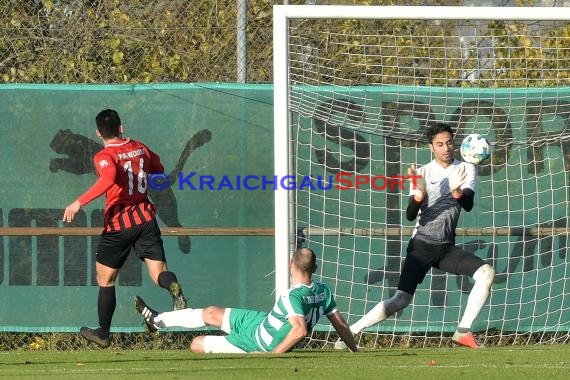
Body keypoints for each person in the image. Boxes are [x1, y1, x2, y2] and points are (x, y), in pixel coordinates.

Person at [338, 122, 495, 349]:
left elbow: (468, 204)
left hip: (445, 248)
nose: (446, 148)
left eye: (449, 142)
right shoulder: (422, 172)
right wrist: (419, 194)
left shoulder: (466, 168)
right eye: (440, 144)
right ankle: (350, 333)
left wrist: (457, 191)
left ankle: (463, 330)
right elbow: (410, 214)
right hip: (421, 246)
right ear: (431, 147)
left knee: (486, 273)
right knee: (400, 300)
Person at [63, 109, 188, 348]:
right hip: (146, 219)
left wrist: (79, 202)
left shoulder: (104, 155)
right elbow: (158, 167)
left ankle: (103, 332)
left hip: (119, 223)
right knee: (159, 272)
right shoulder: (140, 147)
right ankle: (173, 287)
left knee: (105, 279)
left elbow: (109, 178)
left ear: (98, 133)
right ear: (122, 128)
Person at [134, 247, 358, 353]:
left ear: (291, 264)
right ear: (315, 268)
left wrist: (273, 355)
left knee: (196, 344)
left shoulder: (292, 296)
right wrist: (354, 350)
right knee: (211, 312)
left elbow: (299, 330)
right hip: (262, 323)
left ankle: (159, 322)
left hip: (260, 342)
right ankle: (157, 321)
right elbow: (341, 323)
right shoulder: (323, 289)